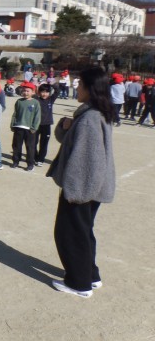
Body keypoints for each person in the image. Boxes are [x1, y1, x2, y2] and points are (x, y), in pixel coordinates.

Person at [47, 66, 116, 298]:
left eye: (80, 84)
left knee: (70, 233)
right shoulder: (95, 113)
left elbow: (88, 160)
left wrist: (76, 193)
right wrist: (65, 126)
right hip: (92, 187)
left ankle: (79, 284)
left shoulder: (89, 119)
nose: (77, 88)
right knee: (83, 231)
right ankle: (91, 275)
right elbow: (71, 142)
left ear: (90, 88)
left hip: (83, 188)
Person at [10, 81, 41, 171]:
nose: (25, 93)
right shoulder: (19, 101)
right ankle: (16, 161)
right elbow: (15, 114)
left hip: (29, 129)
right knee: (16, 146)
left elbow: (37, 116)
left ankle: (30, 164)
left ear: (33, 92)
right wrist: (13, 124)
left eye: (28, 91)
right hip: (18, 127)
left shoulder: (35, 102)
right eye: (24, 91)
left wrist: (34, 127)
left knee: (30, 147)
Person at [34, 82, 60, 167]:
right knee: (33, 142)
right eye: (42, 92)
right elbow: (31, 93)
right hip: (36, 125)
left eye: (46, 92)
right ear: (39, 92)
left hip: (46, 125)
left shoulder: (51, 99)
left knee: (44, 143)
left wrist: (52, 84)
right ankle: (35, 157)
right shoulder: (36, 99)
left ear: (49, 93)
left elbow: (57, 91)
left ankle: (41, 159)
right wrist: (36, 87)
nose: (44, 94)